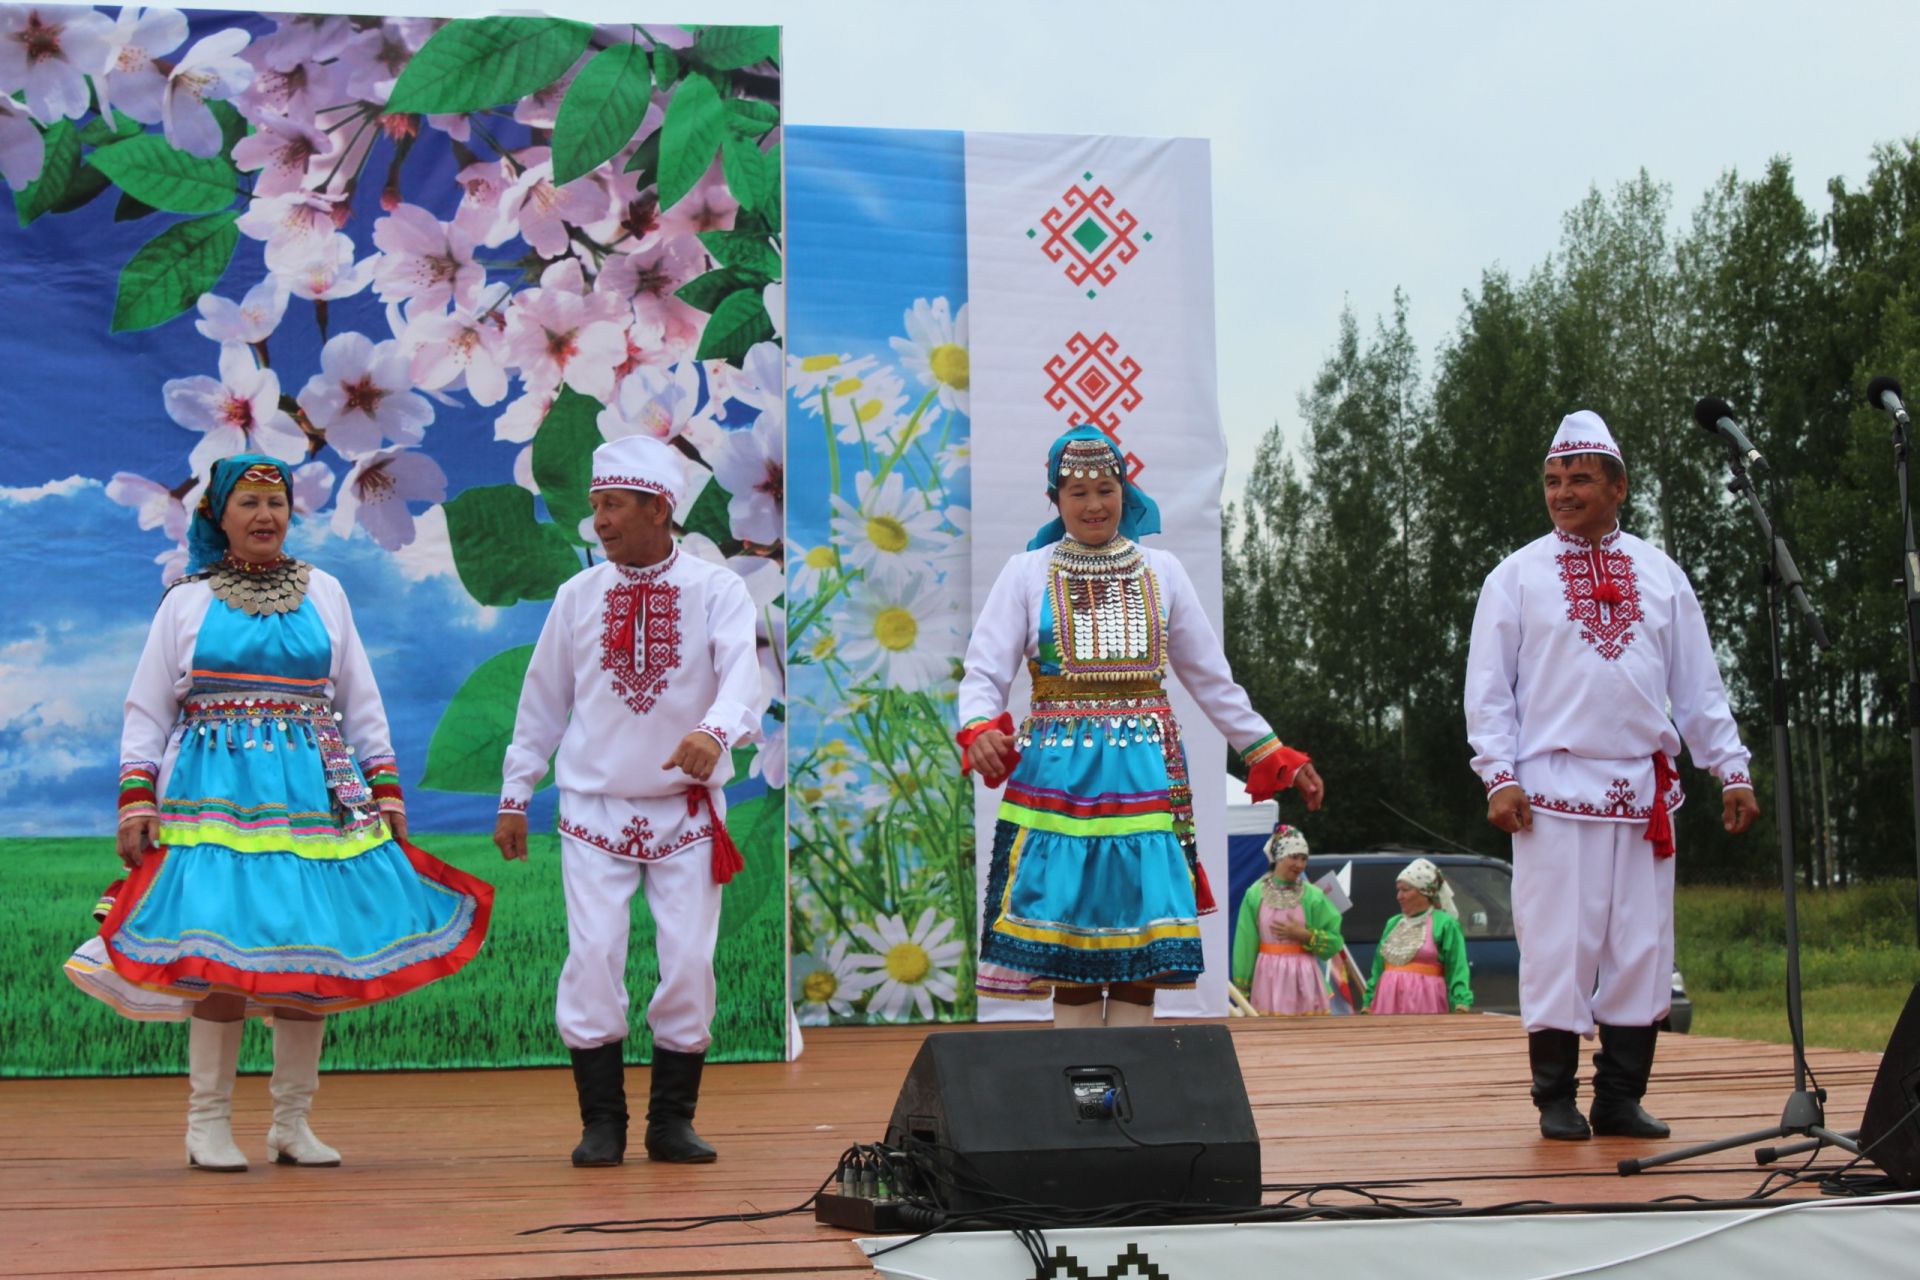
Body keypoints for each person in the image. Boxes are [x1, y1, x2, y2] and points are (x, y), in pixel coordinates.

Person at [64, 454, 493, 1172]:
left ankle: (292, 1123)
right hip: (215, 795)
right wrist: (136, 796)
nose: (265, 515)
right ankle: (207, 1124)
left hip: (312, 792)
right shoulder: (187, 601)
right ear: (218, 516)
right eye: (249, 502)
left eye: (276, 502)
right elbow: (148, 707)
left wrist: (383, 787)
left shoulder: (324, 591)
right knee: (223, 955)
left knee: (309, 952)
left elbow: (360, 695)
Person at [958, 425, 1325, 1026]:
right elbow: (983, 671)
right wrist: (979, 729)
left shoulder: (1163, 571)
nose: (1094, 504)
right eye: (1077, 493)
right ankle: (1081, 1094)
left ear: (1126, 493)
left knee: (1142, 942)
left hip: (1144, 773)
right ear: (1055, 501)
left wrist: (1271, 751)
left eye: (1106, 489)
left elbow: (1211, 679)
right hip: (1059, 773)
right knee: (1067, 938)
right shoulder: (1026, 573)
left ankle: (1129, 1093)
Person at [1465, 411, 1759, 1141]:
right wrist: (1498, 775)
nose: (1563, 493)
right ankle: (1556, 1099)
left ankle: (1620, 1098)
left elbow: (1698, 686)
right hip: (1549, 793)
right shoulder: (1516, 577)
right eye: (1553, 480)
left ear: (1619, 487)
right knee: (1558, 946)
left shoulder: (1662, 576)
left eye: (1580, 479)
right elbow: (1489, 689)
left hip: (1642, 793)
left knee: (1641, 949)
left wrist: (1730, 767)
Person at [494, 435, 762, 1168]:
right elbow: (542, 699)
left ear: (658, 507)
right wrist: (517, 791)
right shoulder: (577, 596)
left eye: (612, 506)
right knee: (593, 955)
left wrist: (715, 730)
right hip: (593, 808)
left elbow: (746, 679)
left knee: (687, 961)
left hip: (687, 814)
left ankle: (671, 1122)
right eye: (595, 506)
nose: (600, 522)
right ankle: (601, 1123)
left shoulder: (717, 590)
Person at [1230, 824, 1343, 1015]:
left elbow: (1334, 941)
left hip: (1304, 976)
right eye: (1294, 857)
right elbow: (1245, 943)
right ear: (1279, 856)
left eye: (1304, 859)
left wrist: (1306, 936)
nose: (1299, 864)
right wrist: (1242, 988)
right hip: (1268, 976)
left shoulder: (1313, 896)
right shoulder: (1255, 894)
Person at [1364, 858, 1471, 1015]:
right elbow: (1378, 967)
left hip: (1426, 1000)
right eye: (1398, 890)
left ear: (1424, 892)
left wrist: (1461, 1002)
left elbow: (1457, 967)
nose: (1399, 896)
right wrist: (1368, 1001)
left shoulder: (1444, 923)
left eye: (1405, 890)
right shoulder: (1393, 923)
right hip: (1387, 1002)